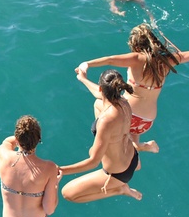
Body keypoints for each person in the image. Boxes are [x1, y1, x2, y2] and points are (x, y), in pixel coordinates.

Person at [78, 24, 189, 153]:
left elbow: (110, 59)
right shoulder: (167, 60)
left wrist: (87, 64)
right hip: (146, 122)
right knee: (132, 130)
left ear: (135, 45)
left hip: (129, 116)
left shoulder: (137, 58)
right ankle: (139, 145)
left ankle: (107, 141)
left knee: (99, 103)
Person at [60, 69, 142, 203]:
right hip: (132, 157)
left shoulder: (106, 121)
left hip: (118, 174)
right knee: (98, 103)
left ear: (101, 88)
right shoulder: (124, 102)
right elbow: (98, 95)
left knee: (68, 193)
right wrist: (83, 79)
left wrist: (61, 170)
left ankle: (119, 190)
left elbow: (93, 162)